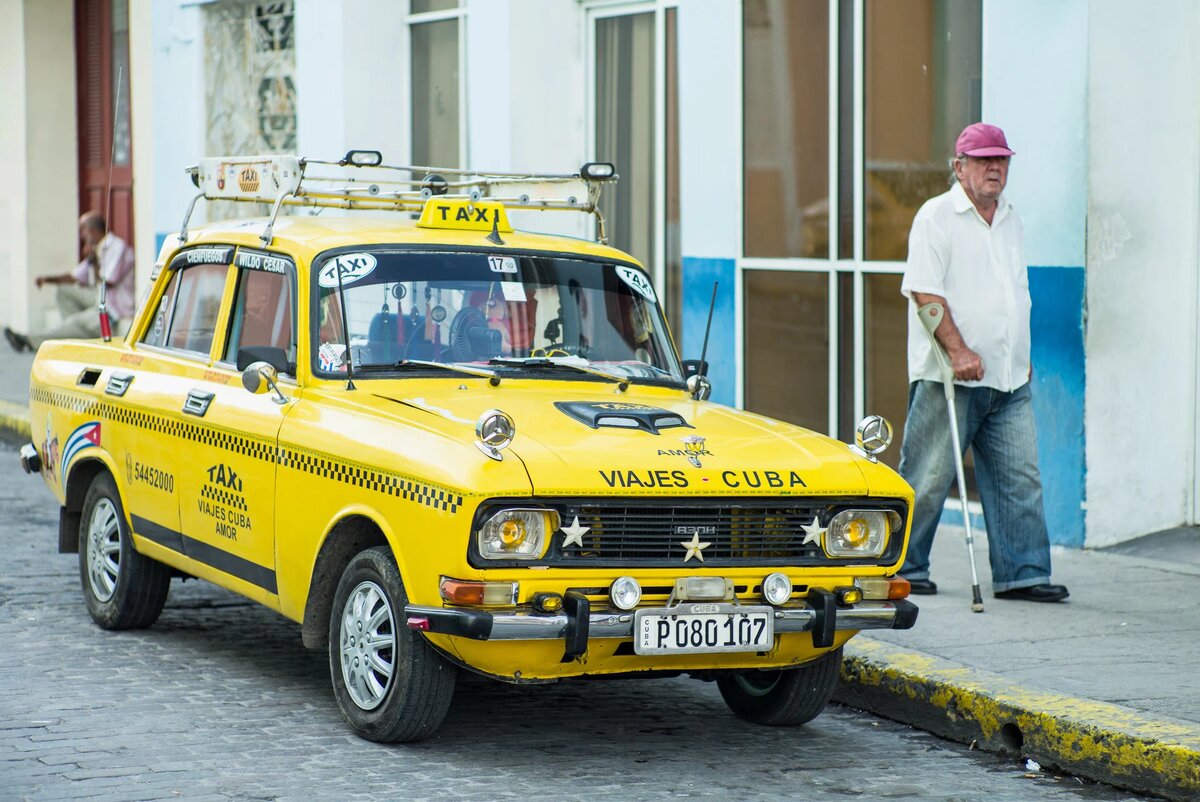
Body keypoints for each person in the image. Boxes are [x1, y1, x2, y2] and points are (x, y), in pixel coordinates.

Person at [897, 122, 1069, 603]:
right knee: (928, 476)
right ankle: (904, 567)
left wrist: (1021, 353)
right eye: (984, 159)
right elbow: (925, 293)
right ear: (960, 166)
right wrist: (958, 351)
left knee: (1020, 478)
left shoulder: (1011, 217)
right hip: (950, 377)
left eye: (1002, 160)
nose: (995, 167)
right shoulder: (936, 216)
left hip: (1010, 378)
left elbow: (1014, 292)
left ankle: (1024, 572)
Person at [4, 212, 136, 352]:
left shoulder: (116, 247)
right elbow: (75, 276)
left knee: (74, 322)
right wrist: (47, 279)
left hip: (113, 308)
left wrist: (95, 261)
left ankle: (30, 340)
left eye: (82, 230)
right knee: (64, 291)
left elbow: (107, 281)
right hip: (99, 298)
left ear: (92, 230)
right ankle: (78, 331)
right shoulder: (97, 248)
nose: (82, 236)